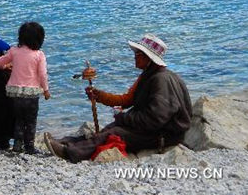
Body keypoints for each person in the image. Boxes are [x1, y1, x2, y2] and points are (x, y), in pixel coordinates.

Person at [44, 34, 192, 163]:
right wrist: (99, 95)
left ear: (149, 59)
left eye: (138, 54)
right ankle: (67, 142)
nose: (134, 56)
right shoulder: (150, 75)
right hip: (156, 130)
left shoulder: (160, 80)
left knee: (114, 133)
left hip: (164, 135)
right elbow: (127, 100)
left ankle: (70, 153)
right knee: (109, 128)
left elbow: (155, 119)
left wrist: (124, 117)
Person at [0, 21, 51, 154]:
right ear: (40, 38)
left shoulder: (14, 51)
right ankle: (29, 146)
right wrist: (46, 90)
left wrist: (6, 66)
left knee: (19, 120)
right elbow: (42, 74)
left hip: (14, 93)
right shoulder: (39, 55)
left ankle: (17, 145)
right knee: (31, 121)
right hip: (31, 94)